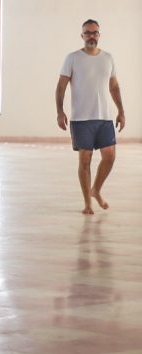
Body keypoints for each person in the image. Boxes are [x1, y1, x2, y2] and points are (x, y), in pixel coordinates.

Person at [56, 19, 125, 215]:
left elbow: (114, 87)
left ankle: (96, 189)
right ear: (82, 35)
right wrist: (60, 112)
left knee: (110, 157)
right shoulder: (72, 58)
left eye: (95, 32)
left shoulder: (108, 58)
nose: (91, 36)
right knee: (85, 160)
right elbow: (61, 86)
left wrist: (121, 111)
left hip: (105, 117)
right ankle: (87, 202)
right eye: (88, 33)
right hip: (81, 119)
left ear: (99, 35)